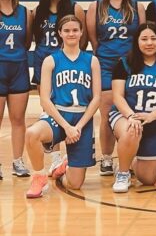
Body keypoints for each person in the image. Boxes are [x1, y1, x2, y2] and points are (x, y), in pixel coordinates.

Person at [24, 15, 101, 198]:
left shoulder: (92, 61)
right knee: (31, 134)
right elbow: (45, 100)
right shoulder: (51, 60)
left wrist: (78, 127)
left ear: (82, 32)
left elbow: (96, 98)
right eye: (66, 30)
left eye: (75, 30)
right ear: (59, 33)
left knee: (74, 184)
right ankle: (39, 177)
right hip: (58, 116)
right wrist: (66, 127)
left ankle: (63, 167)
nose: (71, 33)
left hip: (81, 119)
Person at [86, 0, 145, 176]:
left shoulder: (137, 7)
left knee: (133, 109)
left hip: (131, 65)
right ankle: (107, 157)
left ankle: (134, 154)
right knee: (107, 113)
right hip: (106, 64)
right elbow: (93, 38)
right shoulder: (96, 6)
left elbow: (142, 36)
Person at [108, 22, 156, 193]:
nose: (149, 43)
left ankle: (130, 159)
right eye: (144, 39)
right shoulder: (124, 63)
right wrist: (131, 116)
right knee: (132, 130)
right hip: (124, 116)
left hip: (155, 122)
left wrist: (151, 116)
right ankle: (123, 173)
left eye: (153, 38)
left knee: (148, 179)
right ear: (137, 41)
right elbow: (117, 96)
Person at [32, 0, 86, 176]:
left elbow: (85, 38)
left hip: (67, 63)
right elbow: (32, 39)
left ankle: (68, 154)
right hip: (44, 63)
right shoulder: (38, 11)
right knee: (48, 109)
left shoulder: (75, 9)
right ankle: (55, 158)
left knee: (67, 106)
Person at [0, 0, 32, 179]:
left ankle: (17, 161)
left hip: (19, 68)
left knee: (18, 119)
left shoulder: (25, 12)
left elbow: (27, 41)